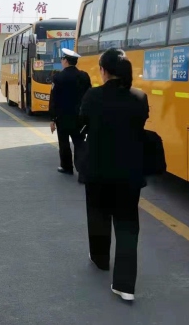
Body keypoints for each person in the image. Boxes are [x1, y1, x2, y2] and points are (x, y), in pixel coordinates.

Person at [78, 48, 149, 302]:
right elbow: (140, 124)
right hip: (130, 172)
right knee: (127, 225)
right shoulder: (139, 97)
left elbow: (82, 122)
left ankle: (100, 259)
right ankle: (125, 286)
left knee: (98, 215)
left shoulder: (93, 96)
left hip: (97, 169)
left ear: (104, 71)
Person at [48, 48, 91, 179]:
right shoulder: (84, 76)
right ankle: (83, 171)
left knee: (64, 143)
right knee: (79, 143)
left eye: (62, 59)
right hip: (80, 118)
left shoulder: (58, 77)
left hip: (62, 117)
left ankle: (67, 167)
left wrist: (52, 119)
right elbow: (89, 96)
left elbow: (53, 99)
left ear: (66, 61)